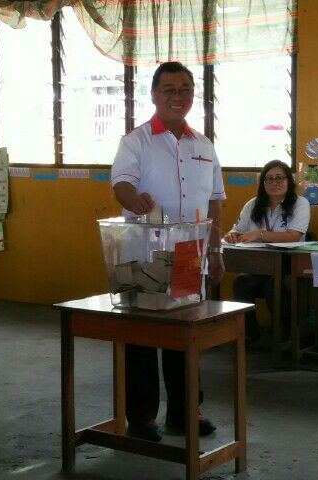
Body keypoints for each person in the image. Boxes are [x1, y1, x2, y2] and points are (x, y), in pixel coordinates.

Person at [111, 61, 226, 442]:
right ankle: (142, 419)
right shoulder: (136, 141)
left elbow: (215, 201)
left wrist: (216, 250)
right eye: (169, 90)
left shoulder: (204, 144)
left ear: (194, 94)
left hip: (190, 256)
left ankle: (185, 411)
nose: (178, 97)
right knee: (142, 338)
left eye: (185, 89)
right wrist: (135, 199)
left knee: (187, 335)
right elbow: (121, 185)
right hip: (142, 255)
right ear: (154, 95)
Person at [224, 159, 310, 344]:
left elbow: (294, 236)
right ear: (262, 184)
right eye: (269, 179)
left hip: (289, 266)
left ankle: (285, 338)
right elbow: (236, 229)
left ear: (289, 180)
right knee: (241, 282)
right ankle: (249, 333)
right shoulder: (253, 204)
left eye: (280, 178)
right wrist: (231, 235)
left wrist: (259, 234)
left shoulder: (300, 203)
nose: (274, 183)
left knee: (273, 286)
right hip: (260, 265)